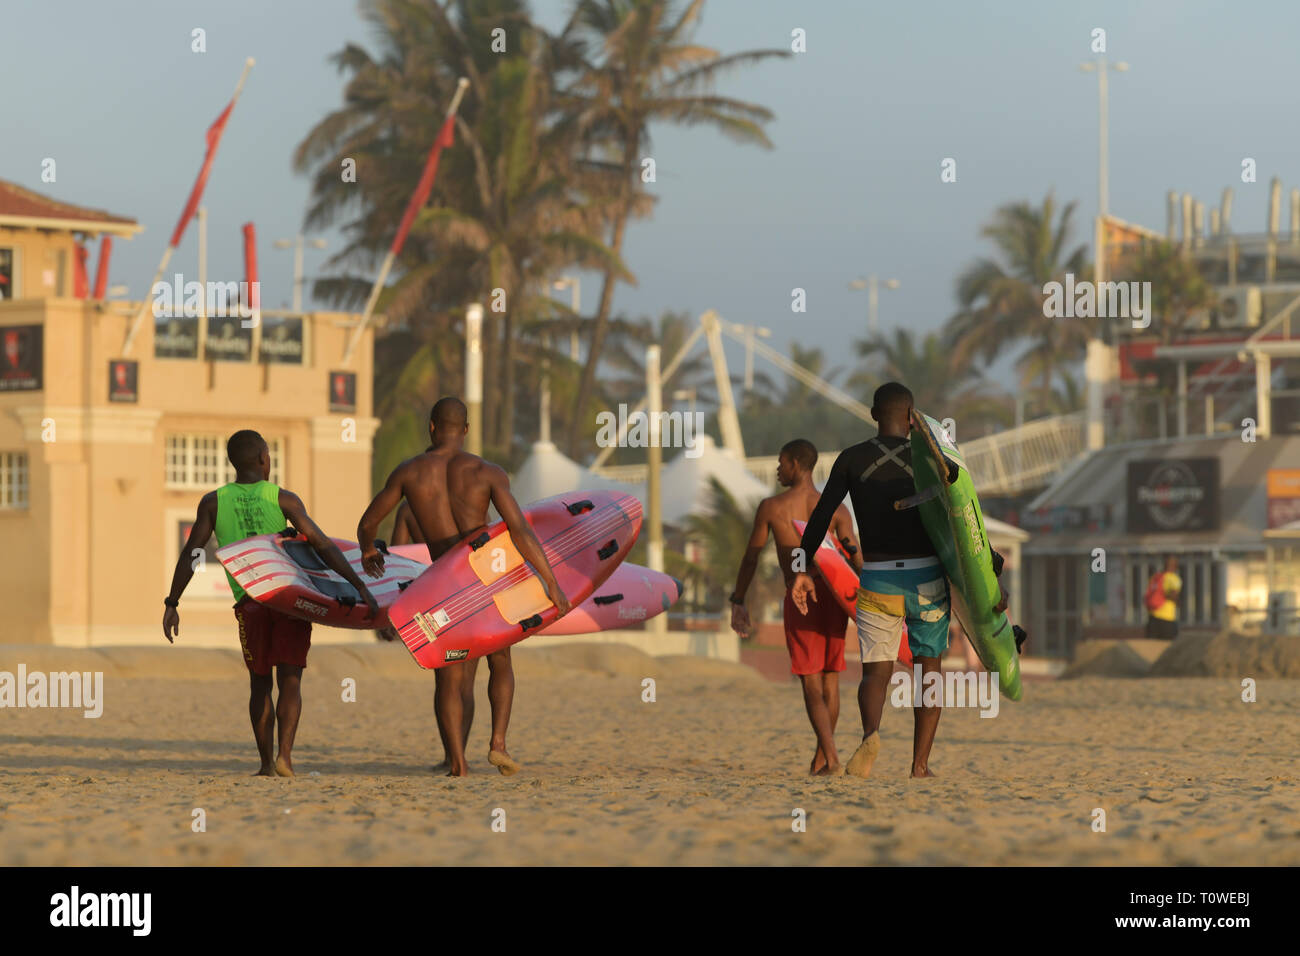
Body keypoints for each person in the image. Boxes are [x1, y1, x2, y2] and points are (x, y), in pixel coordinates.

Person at [792, 382, 1005, 780]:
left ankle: (871, 734)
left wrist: (803, 568)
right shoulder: (934, 462)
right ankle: (920, 766)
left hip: (876, 579)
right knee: (929, 670)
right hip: (926, 578)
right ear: (912, 418)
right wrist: (990, 566)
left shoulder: (851, 459)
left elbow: (821, 516)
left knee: (875, 673)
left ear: (874, 414)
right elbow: (964, 519)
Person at [356, 397, 572, 777]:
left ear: (432, 427)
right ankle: (498, 743)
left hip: (446, 581)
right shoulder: (488, 472)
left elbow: (368, 523)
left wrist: (369, 550)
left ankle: (457, 762)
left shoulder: (409, 472)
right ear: (466, 430)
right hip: (490, 575)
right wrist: (550, 583)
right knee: (500, 660)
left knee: (451, 676)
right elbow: (519, 529)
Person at [163, 429, 379, 777]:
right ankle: (285, 758)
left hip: (249, 603)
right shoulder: (284, 499)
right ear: (265, 459)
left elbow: (193, 553)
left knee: (259, 683)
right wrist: (360, 587)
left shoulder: (213, 502)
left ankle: (265, 764)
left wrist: (172, 602)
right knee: (290, 680)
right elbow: (322, 545)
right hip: (290, 600)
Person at [730, 439, 861, 776]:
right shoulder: (837, 509)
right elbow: (856, 560)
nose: (777, 469)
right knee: (831, 680)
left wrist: (738, 599)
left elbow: (751, 557)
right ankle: (822, 757)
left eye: (781, 462)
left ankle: (830, 758)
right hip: (834, 598)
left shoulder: (772, 507)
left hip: (800, 598)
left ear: (796, 464)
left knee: (810, 682)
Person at [1145, 555, 1182, 640]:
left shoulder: (1155, 577)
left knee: (1151, 647)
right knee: (1167, 648)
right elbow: (1173, 595)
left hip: (1152, 617)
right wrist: (1178, 601)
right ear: (1175, 566)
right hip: (1167, 618)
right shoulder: (1173, 578)